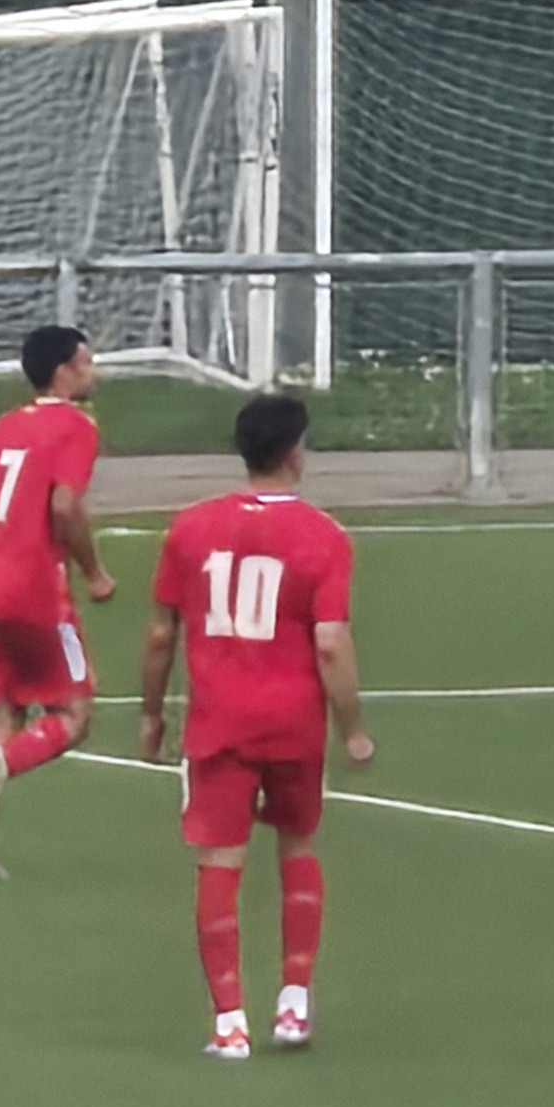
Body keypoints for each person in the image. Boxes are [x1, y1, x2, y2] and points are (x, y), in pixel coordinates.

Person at [139, 392, 371, 1061]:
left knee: (221, 864)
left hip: (219, 723)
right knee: (298, 848)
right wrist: (352, 727)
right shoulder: (324, 537)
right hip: (294, 722)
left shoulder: (189, 529)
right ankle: (294, 1005)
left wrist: (151, 714)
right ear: (296, 453)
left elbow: (160, 634)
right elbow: (330, 642)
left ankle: (229, 1023)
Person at [0, 322, 115, 881]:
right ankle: (4, 763)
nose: (93, 372)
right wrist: (93, 572)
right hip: (36, 590)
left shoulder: (3, 427)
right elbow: (65, 505)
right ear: (63, 371)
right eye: (86, 362)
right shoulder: (75, 426)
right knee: (73, 714)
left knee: (4, 713)